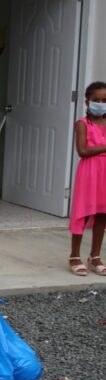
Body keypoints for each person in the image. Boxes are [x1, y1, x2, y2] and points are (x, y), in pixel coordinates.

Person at [67, 81, 106, 276]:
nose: (101, 103)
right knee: (83, 212)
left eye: (105, 100)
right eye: (96, 100)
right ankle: (75, 255)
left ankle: (95, 256)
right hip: (90, 172)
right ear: (87, 102)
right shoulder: (82, 124)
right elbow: (82, 151)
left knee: (102, 214)